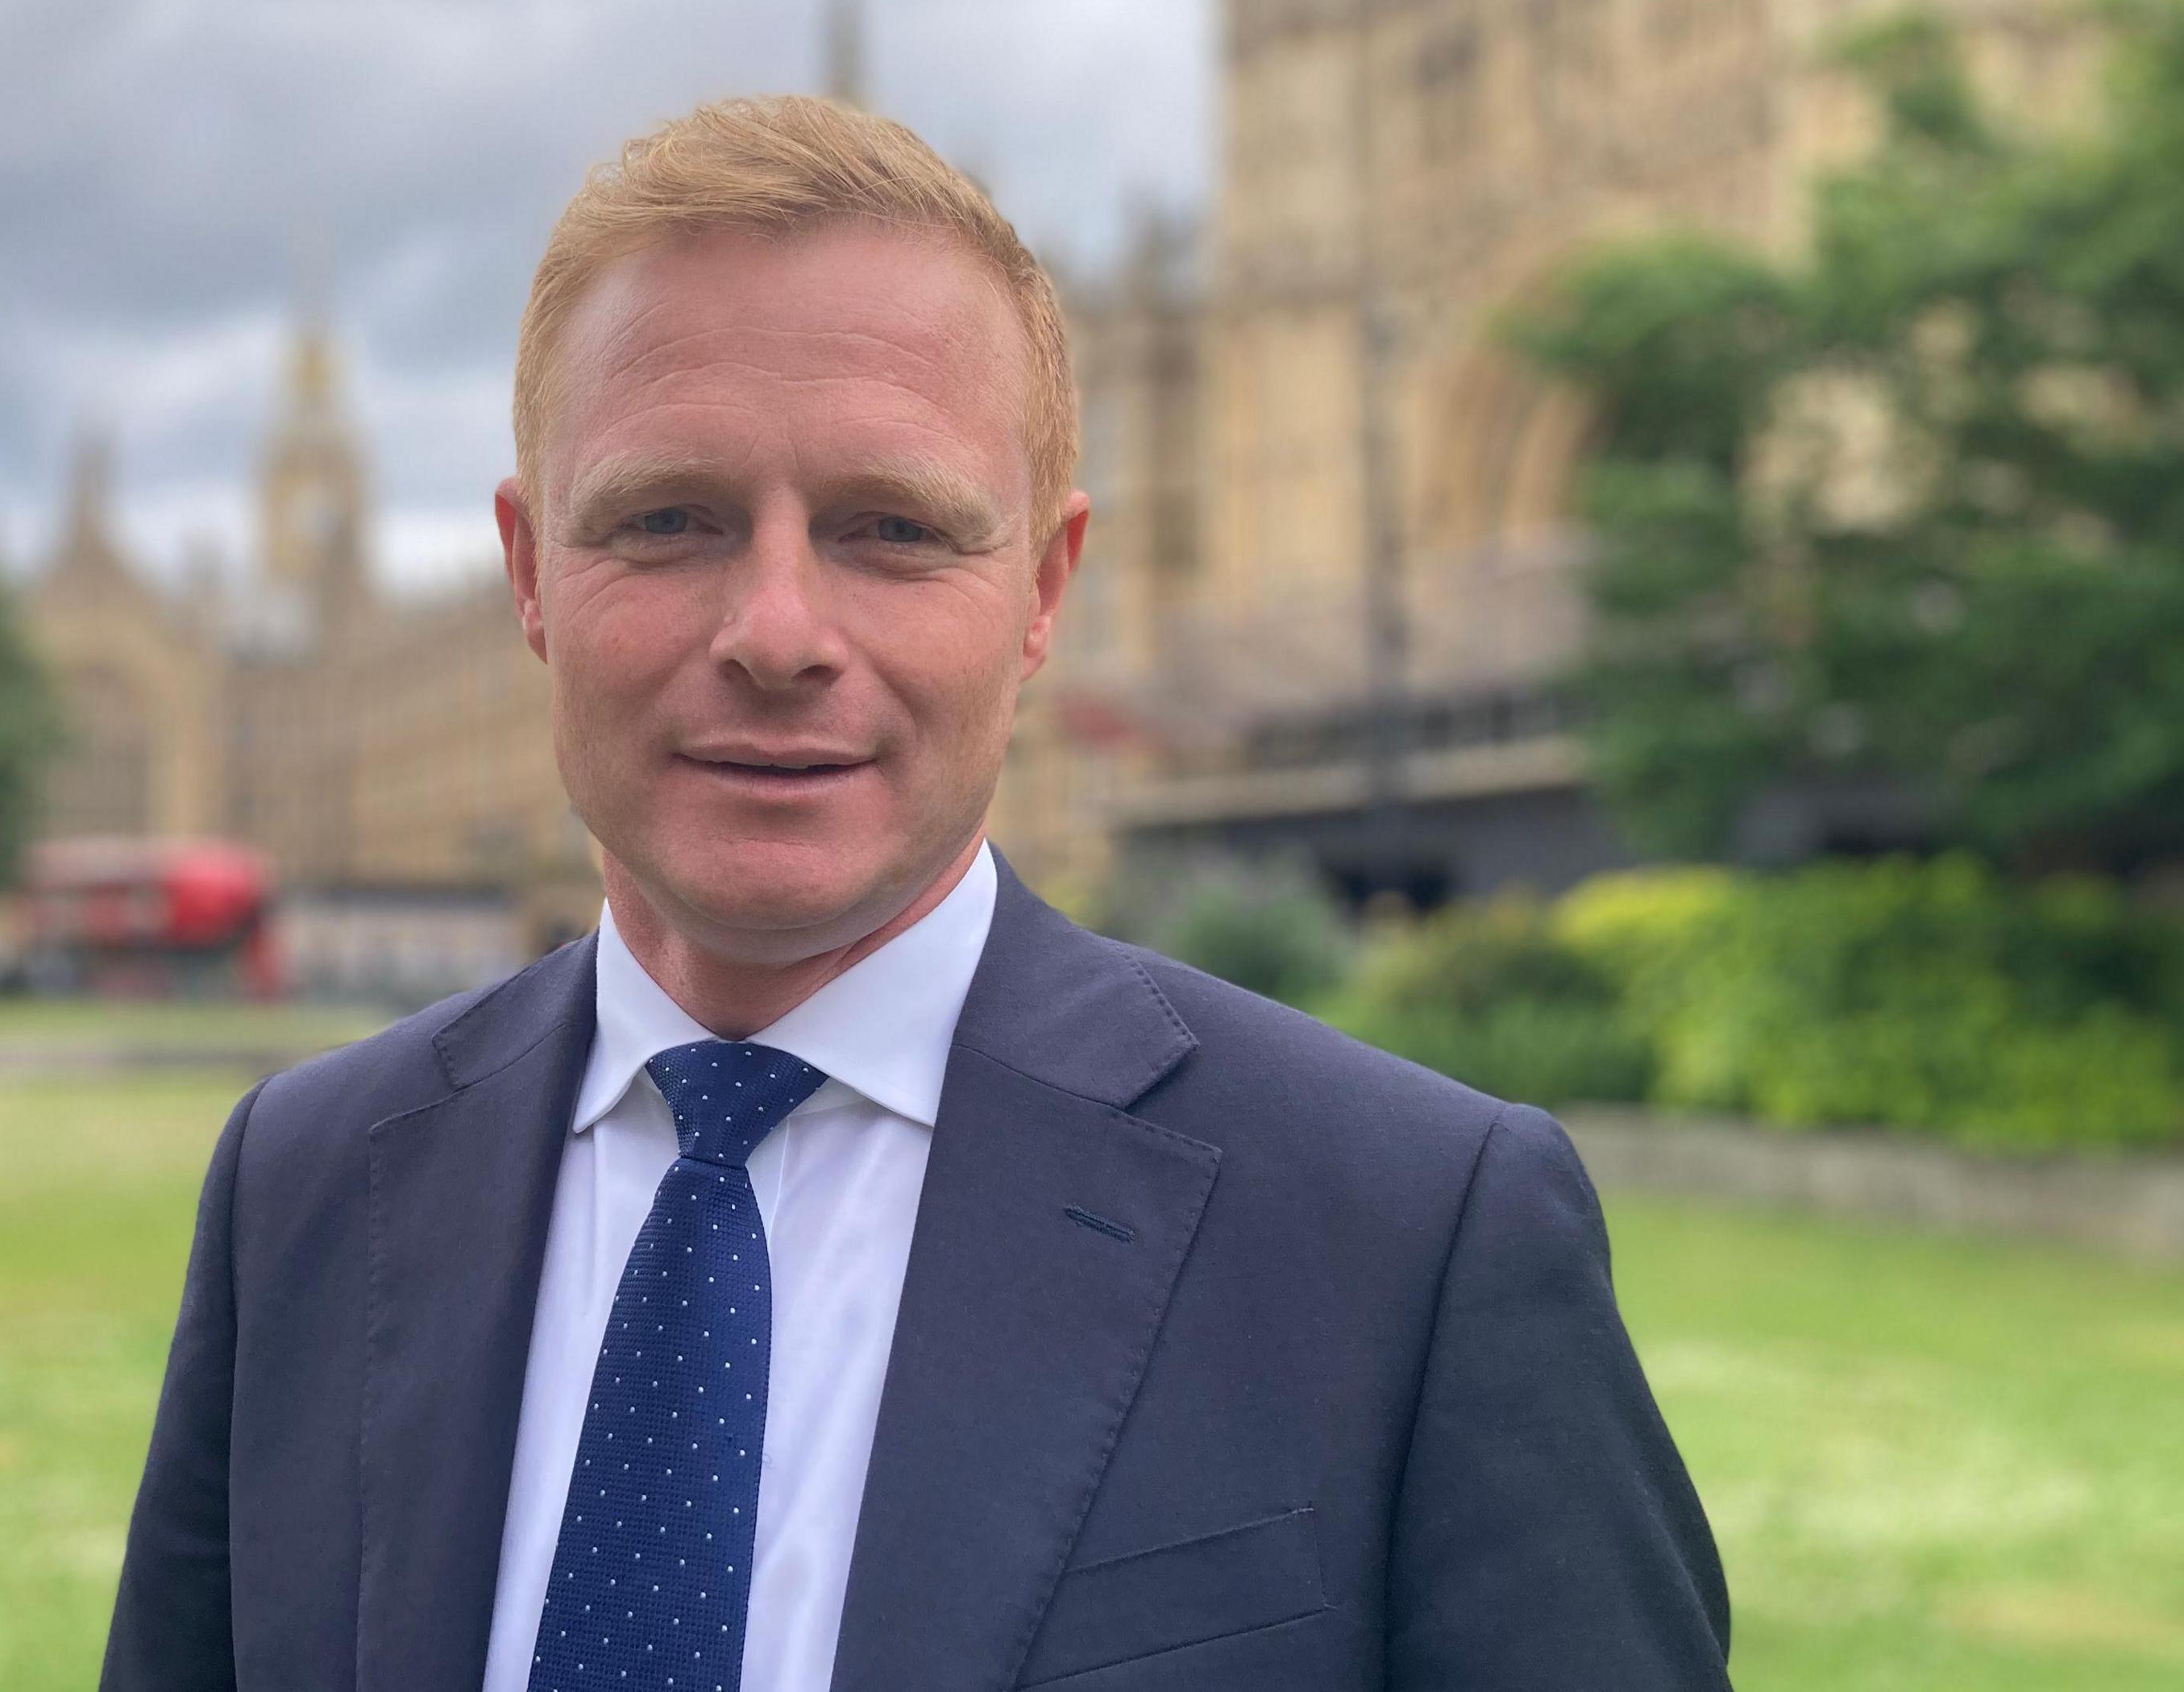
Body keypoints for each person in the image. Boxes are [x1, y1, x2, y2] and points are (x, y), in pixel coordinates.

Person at [102, 96, 1728, 1692]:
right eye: (670, 521)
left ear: (1043, 589)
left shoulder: (1412, 1233)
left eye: (893, 529)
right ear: (533, 573)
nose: (780, 630)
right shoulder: (303, 1188)